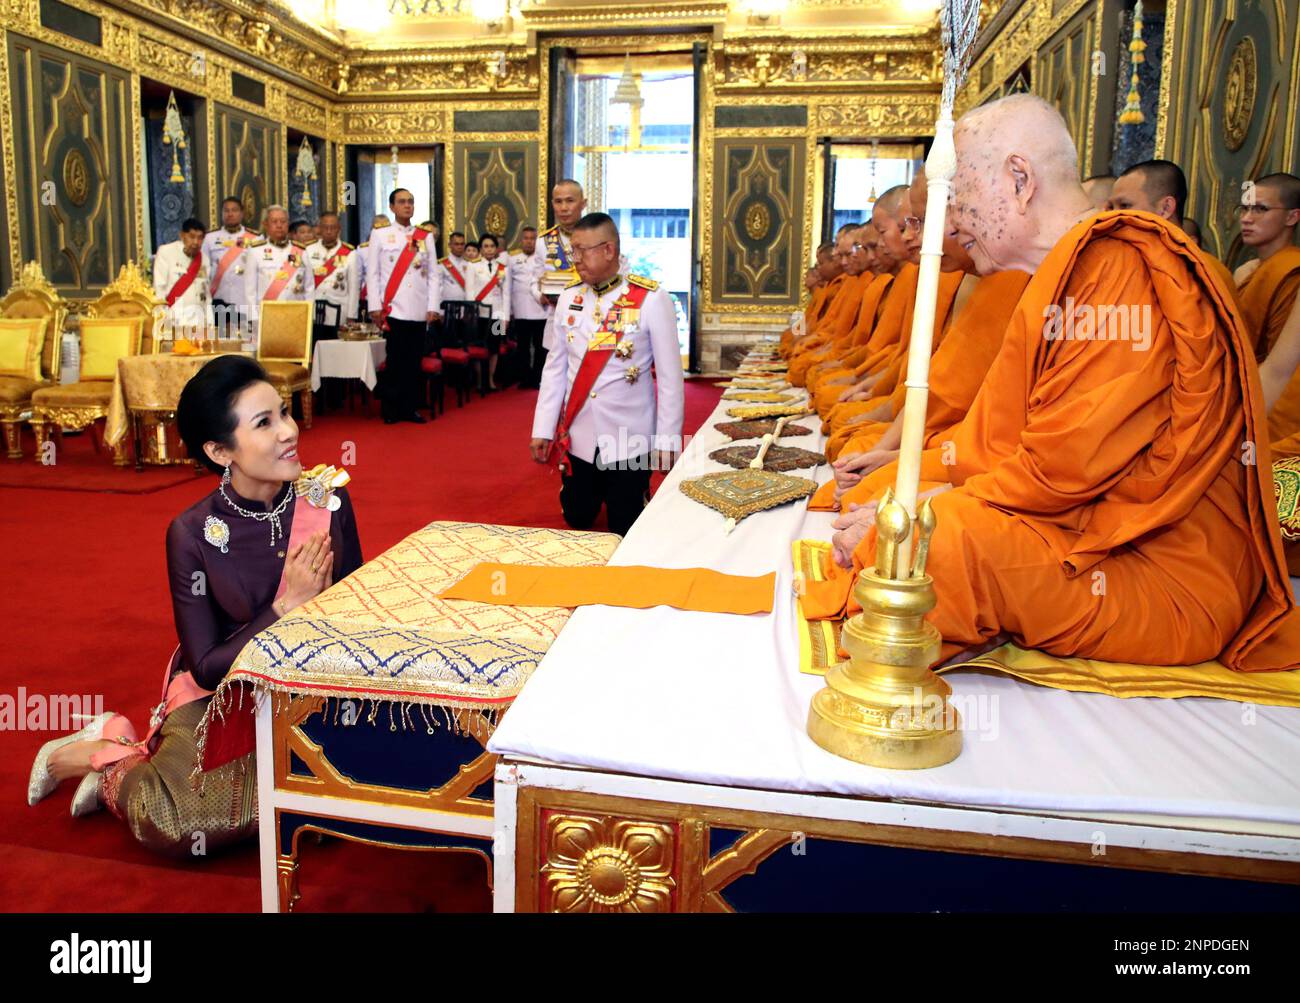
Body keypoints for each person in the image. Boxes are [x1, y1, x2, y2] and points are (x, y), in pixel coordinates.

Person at [809, 93, 1298, 671]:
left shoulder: (1117, 268)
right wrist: (909, 495)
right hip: (1082, 529)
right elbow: (991, 444)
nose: (954, 224)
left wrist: (920, 510)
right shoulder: (1057, 275)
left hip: (1158, 569)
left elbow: (1064, 469)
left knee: (941, 546)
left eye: (959, 201)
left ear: (1019, 178)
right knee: (898, 511)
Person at [26, 356, 362, 851]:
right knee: (179, 820)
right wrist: (283, 608)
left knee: (360, 783)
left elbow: (358, 614)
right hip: (226, 696)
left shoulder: (327, 500)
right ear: (219, 450)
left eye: (285, 413)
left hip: (313, 689)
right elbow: (205, 667)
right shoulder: (191, 534)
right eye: (265, 423)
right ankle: (112, 755)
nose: (289, 432)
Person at [530, 212, 684, 537]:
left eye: (582, 251)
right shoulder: (569, 298)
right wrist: (542, 428)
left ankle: (633, 493)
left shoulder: (650, 299)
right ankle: (576, 489)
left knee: (625, 528)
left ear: (609, 250)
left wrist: (668, 441)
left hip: (629, 438)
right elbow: (555, 369)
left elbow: (670, 379)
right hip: (581, 435)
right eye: (573, 251)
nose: (576, 260)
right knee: (578, 519)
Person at [1105, 159, 1238, 294]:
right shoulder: (1111, 262)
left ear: (1165, 208)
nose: (1113, 216)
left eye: (1125, 206)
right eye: (1110, 207)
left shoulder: (1210, 272)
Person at [366, 188, 439, 424]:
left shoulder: (425, 236)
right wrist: (374, 306)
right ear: (392, 207)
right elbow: (374, 274)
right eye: (402, 202)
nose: (407, 206)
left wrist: (433, 306)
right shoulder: (380, 235)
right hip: (393, 308)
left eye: (411, 202)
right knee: (395, 361)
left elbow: (434, 276)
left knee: (413, 361)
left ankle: (409, 408)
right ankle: (390, 408)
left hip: (418, 307)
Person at [1234, 172, 1300, 360]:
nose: (1246, 218)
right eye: (1244, 209)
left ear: (1292, 217)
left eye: (1260, 209)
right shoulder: (1244, 272)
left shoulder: (1292, 273)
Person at [242, 206, 311, 329]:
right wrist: (254, 319)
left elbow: (309, 287)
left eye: (283, 221)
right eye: (274, 222)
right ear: (266, 224)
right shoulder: (255, 251)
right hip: (267, 317)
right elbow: (250, 291)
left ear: (288, 224)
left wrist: (310, 316)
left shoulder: (300, 250)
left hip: (296, 316)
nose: (279, 225)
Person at [202, 197, 258, 339]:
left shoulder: (255, 238)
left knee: (245, 343)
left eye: (234, 210)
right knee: (222, 342)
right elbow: (204, 269)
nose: (230, 214)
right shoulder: (210, 238)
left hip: (244, 301)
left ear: (242, 213)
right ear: (221, 213)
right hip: (220, 299)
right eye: (226, 210)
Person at [152, 217, 212, 334]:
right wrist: (162, 322)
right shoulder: (166, 252)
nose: (195, 242)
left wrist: (210, 323)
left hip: (198, 322)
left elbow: (206, 295)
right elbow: (159, 290)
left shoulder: (204, 259)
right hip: (174, 320)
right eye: (192, 236)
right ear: (182, 235)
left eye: (200, 238)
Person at [304, 210, 360, 336]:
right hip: (313, 312)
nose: (329, 231)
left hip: (339, 313)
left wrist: (351, 316)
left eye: (333, 227)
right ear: (319, 229)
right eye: (325, 227)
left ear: (339, 229)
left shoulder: (350, 253)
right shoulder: (308, 250)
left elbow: (353, 288)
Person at [467, 232, 510, 390]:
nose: (489, 249)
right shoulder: (473, 265)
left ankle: (491, 379)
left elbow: (506, 293)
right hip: (480, 314)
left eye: (492, 246)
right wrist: (471, 313)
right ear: (481, 248)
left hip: (498, 314)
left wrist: (505, 317)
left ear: (496, 248)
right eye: (486, 246)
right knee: (479, 347)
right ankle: (479, 379)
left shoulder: (503, 268)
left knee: (494, 347)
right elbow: (469, 292)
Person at [509, 225, 550, 388]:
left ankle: (537, 378)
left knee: (541, 347)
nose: (529, 242)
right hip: (520, 309)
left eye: (532, 238)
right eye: (526, 238)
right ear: (521, 240)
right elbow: (508, 287)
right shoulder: (512, 259)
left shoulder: (544, 258)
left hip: (541, 310)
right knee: (522, 347)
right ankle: (524, 378)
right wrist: (508, 311)